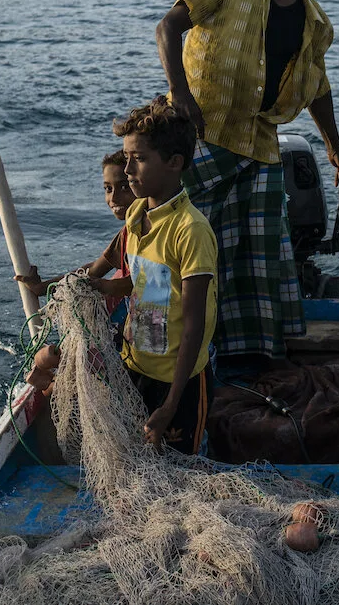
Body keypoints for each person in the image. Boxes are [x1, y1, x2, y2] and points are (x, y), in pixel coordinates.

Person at [155, 0, 339, 367]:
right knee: (181, 252)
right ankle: (161, 350)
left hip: (260, 148)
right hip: (200, 137)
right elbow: (168, 27)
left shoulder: (314, 21)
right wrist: (180, 93)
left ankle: (246, 360)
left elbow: (317, 86)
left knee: (255, 264)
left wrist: (335, 147)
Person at [110, 97, 219, 453]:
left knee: (178, 466)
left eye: (139, 160)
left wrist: (171, 403)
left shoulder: (191, 231)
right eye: (126, 158)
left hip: (180, 382)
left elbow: (193, 324)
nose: (127, 171)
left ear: (175, 163)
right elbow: (148, 283)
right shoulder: (136, 213)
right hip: (136, 364)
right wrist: (95, 285)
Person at [16, 150, 137, 308]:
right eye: (108, 189)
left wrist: (105, 286)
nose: (113, 198)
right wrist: (42, 288)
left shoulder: (152, 230)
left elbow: (145, 283)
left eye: (124, 187)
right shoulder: (127, 234)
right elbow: (93, 270)